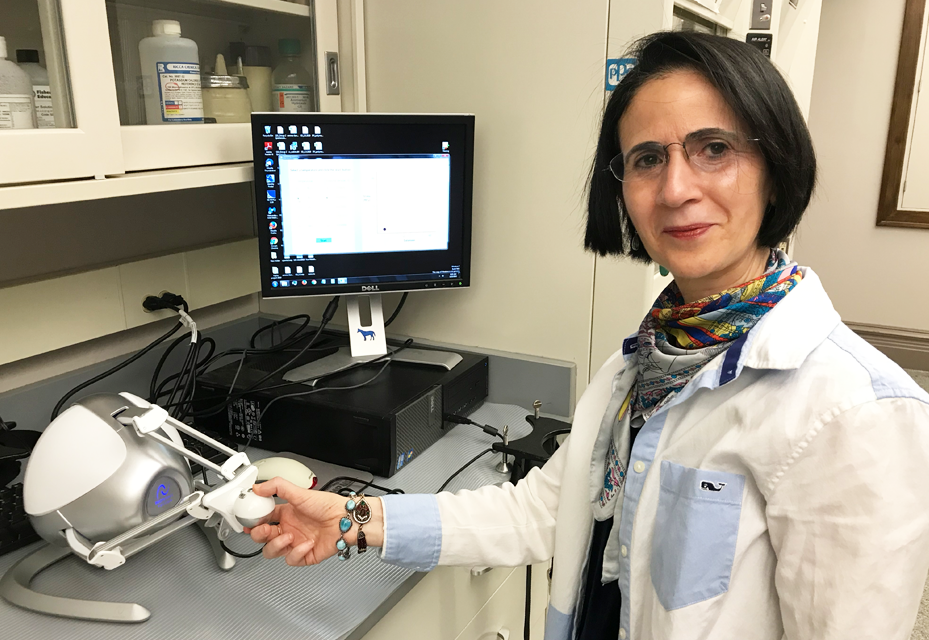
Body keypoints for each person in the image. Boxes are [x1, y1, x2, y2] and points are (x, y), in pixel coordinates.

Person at [247, 31, 929, 639]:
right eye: (645, 159)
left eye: (713, 149)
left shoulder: (857, 413)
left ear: (775, 166)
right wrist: (351, 521)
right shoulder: (648, 361)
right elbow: (542, 511)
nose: (675, 189)